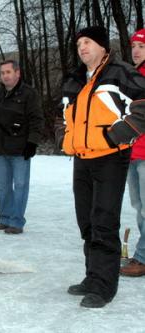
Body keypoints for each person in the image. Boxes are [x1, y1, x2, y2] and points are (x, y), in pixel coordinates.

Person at [57, 26, 145, 308]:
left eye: (88, 42)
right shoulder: (74, 79)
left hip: (110, 158)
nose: (82, 47)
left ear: (103, 46)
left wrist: (114, 136)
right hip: (82, 158)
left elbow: (143, 108)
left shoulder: (120, 73)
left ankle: (104, 287)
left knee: (104, 222)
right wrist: (63, 137)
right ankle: (92, 277)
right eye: (79, 43)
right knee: (87, 222)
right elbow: (61, 114)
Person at [0, 60, 44, 234]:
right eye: (2, 73)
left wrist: (32, 142)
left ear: (17, 73)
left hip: (20, 149)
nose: (5, 76)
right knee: (2, 186)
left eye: (8, 72)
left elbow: (37, 120)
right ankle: (5, 218)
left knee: (20, 185)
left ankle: (17, 222)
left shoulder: (29, 94)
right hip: (0, 148)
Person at [121, 28, 145, 278]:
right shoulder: (132, 77)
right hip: (131, 151)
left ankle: (142, 256)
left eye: (142, 47)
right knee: (138, 206)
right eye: (134, 47)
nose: (136, 51)